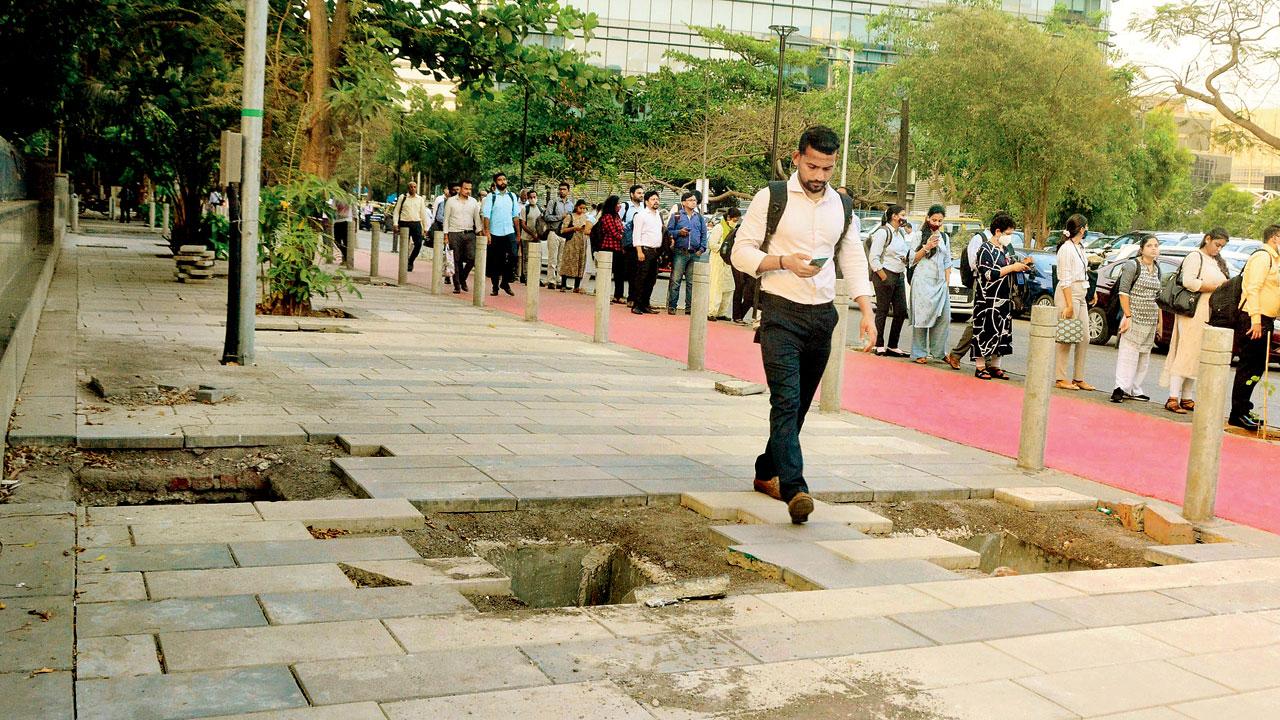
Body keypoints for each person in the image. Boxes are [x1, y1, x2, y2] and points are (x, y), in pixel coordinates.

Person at [730, 126, 876, 524]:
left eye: (827, 168)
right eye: (812, 166)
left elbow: (853, 259)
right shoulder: (772, 197)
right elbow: (739, 252)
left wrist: (866, 309)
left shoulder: (842, 208)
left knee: (799, 407)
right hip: (780, 310)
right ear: (797, 158)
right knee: (786, 399)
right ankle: (794, 488)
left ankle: (765, 470)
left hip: (822, 315)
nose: (819, 176)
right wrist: (781, 262)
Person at [1160, 229, 1231, 414]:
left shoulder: (1215, 262)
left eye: (1222, 246)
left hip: (1208, 312)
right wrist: (1216, 288)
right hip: (1193, 311)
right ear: (1207, 239)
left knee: (1197, 354)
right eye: (1217, 244)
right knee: (1185, 351)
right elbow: (1189, 282)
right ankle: (1173, 397)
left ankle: (1187, 396)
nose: (1218, 249)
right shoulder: (1195, 257)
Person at [1228, 224, 1280, 430]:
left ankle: (1245, 407)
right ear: (1275, 238)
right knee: (1248, 366)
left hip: (1265, 319)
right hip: (1253, 318)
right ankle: (1237, 413)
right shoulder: (1262, 257)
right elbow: (1253, 289)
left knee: (1257, 367)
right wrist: (1256, 320)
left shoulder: (1275, 259)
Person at [972, 213, 1031, 379]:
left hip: (1004, 298)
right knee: (985, 330)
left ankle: (996, 366)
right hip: (987, 299)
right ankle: (980, 366)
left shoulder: (1005, 250)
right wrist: (1012, 268)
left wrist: (1022, 265)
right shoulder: (985, 249)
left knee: (1002, 331)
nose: (1010, 237)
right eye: (1008, 233)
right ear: (998, 231)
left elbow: (1011, 267)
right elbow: (988, 274)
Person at [1111, 235, 1163, 404]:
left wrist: (1159, 322)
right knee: (1128, 353)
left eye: (1156, 245)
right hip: (1133, 316)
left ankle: (1135, 388)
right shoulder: (1133, 265)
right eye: (1150, 245)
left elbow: (1158, 297)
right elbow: (1124, 292)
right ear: (1142, 249)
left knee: (1143, 356)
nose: (1154, 248)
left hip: (1150, 318)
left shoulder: (1157, 268)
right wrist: (1128, 315)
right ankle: (1120, 388)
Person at [1052, 214, 1096, 390]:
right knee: (1067, 336)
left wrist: (1089, 291)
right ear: (1082, 229)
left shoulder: (1080, 247)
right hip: (1068, 293)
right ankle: (1061, 377)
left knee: (1084, 337)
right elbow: (1065, 278)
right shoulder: (1066, 249)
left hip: (1081, 292)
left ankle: (1079, 376)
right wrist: (1069, 304)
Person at [943, 223, 993, 369]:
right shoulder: (979, 239)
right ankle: (957, 354)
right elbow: (974, 263)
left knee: (991, 323)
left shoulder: (1000, 242)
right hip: (982, 284)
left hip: (997, 286)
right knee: (979, 321)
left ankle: (988, 361)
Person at [908, 205, 952, 363]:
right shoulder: (919, 235)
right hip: (922, 281)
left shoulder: (945, 237)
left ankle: (939, 352)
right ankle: (919, 352)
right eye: (934, 220)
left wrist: (947, 282)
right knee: (921, 317)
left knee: (944, 318)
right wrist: (927, 247)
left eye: (940, 220)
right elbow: (911, 259)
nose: (937, 223)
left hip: (940, 284)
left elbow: (948, 261)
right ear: (928, 218)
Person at [867, 204, 911, 357]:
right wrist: (882, 275)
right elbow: (874, 256)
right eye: (903, 215)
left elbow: (901, 251)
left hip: (899, 274)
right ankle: (878, 344)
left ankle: (893, 344)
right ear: (894, 216)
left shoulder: (901, 234)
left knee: (901, 310)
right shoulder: (883, 232)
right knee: (882, 310)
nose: (905, 218)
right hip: (885, 274)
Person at [666, 191, 709, 315]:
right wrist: (679, 232)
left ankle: (689, 307)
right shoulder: (677, 215)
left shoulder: (699, 217)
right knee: (676, 280)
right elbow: (669, 232)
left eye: (695, 200)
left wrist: (702, 249)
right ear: (684, 202)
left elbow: (703, 234)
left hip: (694, 253)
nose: (693, 202)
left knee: (691, 282)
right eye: (690, 200)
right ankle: (672, 306)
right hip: (680, 251)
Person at [482, 172, 520, 297]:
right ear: (495, 182)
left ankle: (505, 282)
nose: (502, 182)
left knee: (514, 256)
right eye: (499, 180)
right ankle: (495, 287)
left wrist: (518, 234)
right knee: (496, 261)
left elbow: (515, 215)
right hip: (495, 232)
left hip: (509, 231)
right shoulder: (491, 197)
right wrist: (487, 233)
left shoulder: (512, 196)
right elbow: (486, 216)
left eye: (504, 179)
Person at [444, 179, 483, 294]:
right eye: (466, 188)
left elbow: (477, 219)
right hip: (454, 232)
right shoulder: (451, 201)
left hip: (470, 233)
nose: (468, 191)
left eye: (470, 189)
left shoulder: (473, 202)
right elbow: (446, 219)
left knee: (472, 258)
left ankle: (462, 278)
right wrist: (446, 235)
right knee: (455, 260)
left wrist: (480, 233)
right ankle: (457, 285)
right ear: (460, 188)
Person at [631, 190, 663, 314]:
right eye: (653, 199)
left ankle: (646, 303)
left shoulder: (658, 215)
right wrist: (639, 251)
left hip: (655, 251)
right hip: (644, 250)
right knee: (641, 278)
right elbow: (636, 234)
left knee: (651, 279)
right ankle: (637, 304)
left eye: (657, 199)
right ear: (646, 201)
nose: (656, 201)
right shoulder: (641, 215)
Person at [392, 181, 432, 273]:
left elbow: (423, 214)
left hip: (416, 223)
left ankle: (410, 261)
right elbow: (396, 211)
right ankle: (404, 263)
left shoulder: (420, 199)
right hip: (404, 223)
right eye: (411, 187)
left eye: (414, 187)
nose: (413, 189)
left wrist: (425, 228)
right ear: (408, 188)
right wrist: (395, 224)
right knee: (404, 245)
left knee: (418, 244)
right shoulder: (403, 198)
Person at [594, 195, 627, 303]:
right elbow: (613, 233)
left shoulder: (617, 216)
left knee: (619, 274)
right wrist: (625, 239)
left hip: (619, 248)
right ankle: (604, 294)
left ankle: (618, 295)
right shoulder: (607, 217)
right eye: (618, 204)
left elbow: (622, 229)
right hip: (609, 247)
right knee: (607, 274)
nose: (619, 206)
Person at [543, 183, 574, 288]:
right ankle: (551, 280)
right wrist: (560, 217)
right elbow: (547, 217)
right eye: (560, 189)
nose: (562, 191)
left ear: (568, 191)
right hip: (554, 231)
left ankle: (560, 280)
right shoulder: (553, 202)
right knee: (553, 258)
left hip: (565, 233)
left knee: (562, 258)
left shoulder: (571, 204)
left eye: (564, 189)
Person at [558, 199, 592, 293]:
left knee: (580, 263)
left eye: (584, 208)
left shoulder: (586, 217)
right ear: (576, 207)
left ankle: (576, 285)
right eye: (581, 208)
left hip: (582, 242)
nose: (582, 210)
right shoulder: (570, 216)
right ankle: (563, 284)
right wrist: (574, 228)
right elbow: (563, 230)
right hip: (571, 241)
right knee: (567, 261)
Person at [707, 212, 735, 321]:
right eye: (734, 219)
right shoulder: (719, 228)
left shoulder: (732, 230)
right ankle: (711, 312)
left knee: (728, 287)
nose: (735, 222)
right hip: (718, 259)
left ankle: (721, 312)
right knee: (716, 286)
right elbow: (712, 244)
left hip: (728, 260)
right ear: (728, 218)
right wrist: (724, 247)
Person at [517, 189, 543, 285]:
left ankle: (537, 277)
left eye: (534, 197)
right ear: (528, 198)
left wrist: (539, 234)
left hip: (537, 238)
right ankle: (527, 277)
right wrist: (532, 233)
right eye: (531, 197)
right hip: (527, 237)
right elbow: (523, 224)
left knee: (538, 258)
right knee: (526, 258)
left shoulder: (540, 209)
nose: (533, 199)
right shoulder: (525, 209)